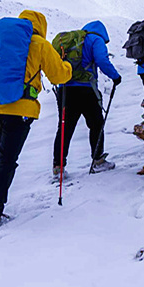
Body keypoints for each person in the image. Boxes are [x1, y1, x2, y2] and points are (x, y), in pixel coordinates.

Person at [0, 10, 72, 222]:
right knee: (7, 160)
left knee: (1, 148)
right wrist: (67, 64)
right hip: (19, 110)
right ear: (41, 26)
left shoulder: (0, 43)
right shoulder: (39, 44)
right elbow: (59, 75)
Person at [52, 21, 122, 176]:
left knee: (65, 127)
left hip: (64, 89)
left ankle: (58, 166)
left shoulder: (72, 40)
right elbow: (102, 60)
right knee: (96, 124)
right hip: (85, 89)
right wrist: (115, 77)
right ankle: (98, 160)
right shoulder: (95, 39)